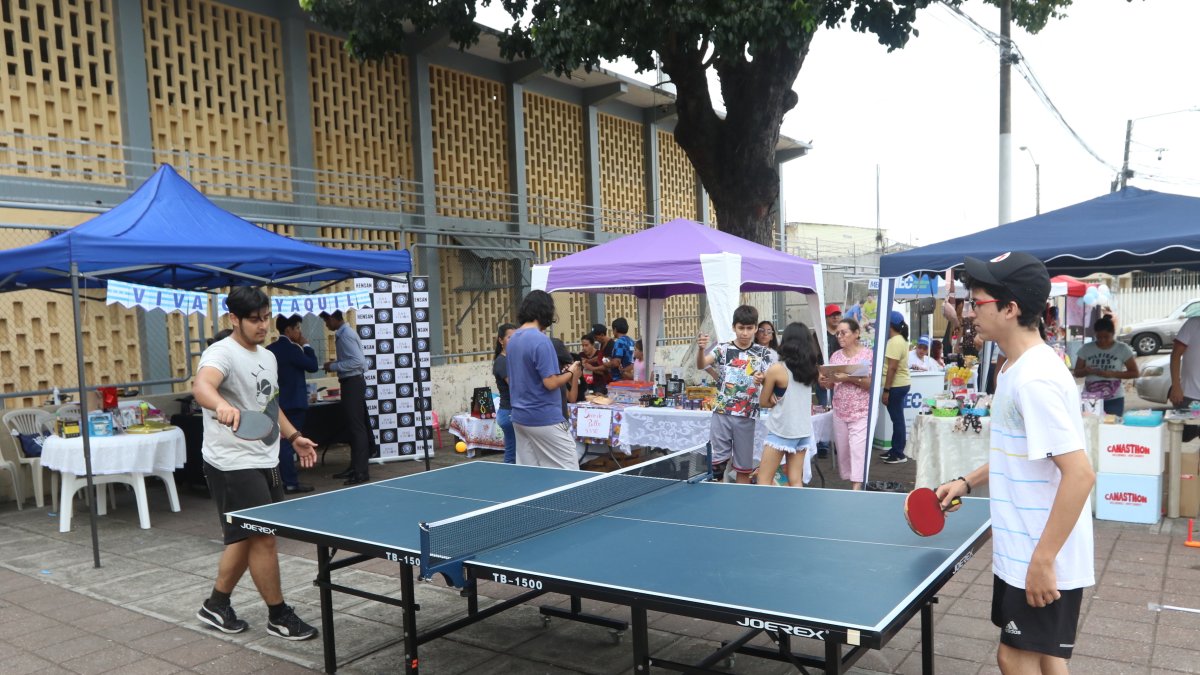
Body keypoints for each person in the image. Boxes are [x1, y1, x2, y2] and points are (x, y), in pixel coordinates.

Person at [936, 252, 1094, 674]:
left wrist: (1043, 561)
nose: (969, 311)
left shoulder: (1035, 378)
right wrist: (967, 482)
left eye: (978, 302)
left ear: (1010, 308)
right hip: (1023, 546)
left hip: (1040, 553)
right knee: (1047, 658)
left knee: (1013, 657)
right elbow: (1021, 453)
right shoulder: (1012, 369)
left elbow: (1080, 474)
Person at [193, 286, 318, 641]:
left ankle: (216, 604)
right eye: (254, 319)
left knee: (244, 538)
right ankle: (278, 615)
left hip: (265, 457)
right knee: (263, 539)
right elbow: (202, 386)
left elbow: (269, 405)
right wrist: (219, 405)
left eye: (265, 318)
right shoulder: (222, 353)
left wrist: (294, 437)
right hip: (232, 463)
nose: (263, 325)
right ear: (234, 318)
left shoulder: (269, 356)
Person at [696, 305, 771, 483]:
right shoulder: (722, 349)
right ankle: (718, 505)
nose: (745, 333)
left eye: (749, 328)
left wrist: (763, 378)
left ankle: (740, 506)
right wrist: (700, 350)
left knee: (743, 469)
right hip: (721, 412)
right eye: (741, 328)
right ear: (733, 327)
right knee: (717, 467)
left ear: (755, 328)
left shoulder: (763, 353)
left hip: (747, 414)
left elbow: (770, 378)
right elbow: (701, 364)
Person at [507, 290, 580, 469]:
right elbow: (550, 383)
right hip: (544, 416)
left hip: (519, 417)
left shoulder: (513, 339)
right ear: (546, 311)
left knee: (531, 475)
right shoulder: (541, 340)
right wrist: (571, 373)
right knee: (570, 471)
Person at [757, 322, 819, 487]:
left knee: (763, 479)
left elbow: (763, 402)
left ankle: (765, 513)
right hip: (803, 431)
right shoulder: (811, 369)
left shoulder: (777, 369)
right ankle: (798, 512)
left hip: (781, 430)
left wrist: (768, 391)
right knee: (795, 479)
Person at [266, 314, 318, 494]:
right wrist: (307, 346)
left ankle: (280, 480)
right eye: (297, 328)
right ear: (288, 330)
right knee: (289, 443)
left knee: (278, 443)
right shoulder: (293, 349)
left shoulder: (269, 350)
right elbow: (312, 366)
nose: (300, 332)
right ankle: (290, 482)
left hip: (277, 402)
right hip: (294, 403)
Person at [319, 310, 372, 485]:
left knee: (357, 428)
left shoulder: (346, 335)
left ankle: (361, 472)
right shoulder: (344, 334)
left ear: (333, 318)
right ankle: (355, 467)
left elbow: (358, 362)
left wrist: (334, 365)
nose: (326, 325)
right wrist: (337, 364)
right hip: (351, 382)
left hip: (353, 383)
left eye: (326, 321)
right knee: (354, 427)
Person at [819, 318, 872, 490]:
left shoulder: (867, 355)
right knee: (844, 453)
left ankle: (856, 489)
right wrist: (824, 380)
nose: (840, 336)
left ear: (856, 333)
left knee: (858, 450)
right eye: (837, 333)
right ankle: (855, 484)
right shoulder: (835, 356)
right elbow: (831, 384)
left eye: (844, 332)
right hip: (840, 411)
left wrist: (849, 377)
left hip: (861, 410)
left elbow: (871, 384)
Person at [1074, 317, 1137, 417]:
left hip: (1114, 398)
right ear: (1095, 334)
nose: (1102, 341)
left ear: (1113, 333)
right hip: (1091, 398)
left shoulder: (1122, 349)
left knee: (1112, 427)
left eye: (1106, 337)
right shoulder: (1086, 348)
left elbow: (1135, 372)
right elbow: (1077, 373)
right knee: (1091, 425)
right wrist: (1086, 371)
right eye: (1099, 337)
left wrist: (1112, 374)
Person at [880, 311, 912, 465]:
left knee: (897, 419)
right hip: (901, 384)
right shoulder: (900, 340)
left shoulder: (894, 342)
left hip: (896, 385)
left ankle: (899, 452)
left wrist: (886, 390)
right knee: (897, 418)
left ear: (890, 325)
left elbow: (892, 368)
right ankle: (895, 449)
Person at [493, 322, 517, 464]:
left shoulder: (511, 359)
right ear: (501, 340)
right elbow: (515, 386)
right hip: (509, 412)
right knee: (512, 453)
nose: (513, 341)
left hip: (511, 411)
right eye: (509, 337)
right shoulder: (501, 362)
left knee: (516, 451)